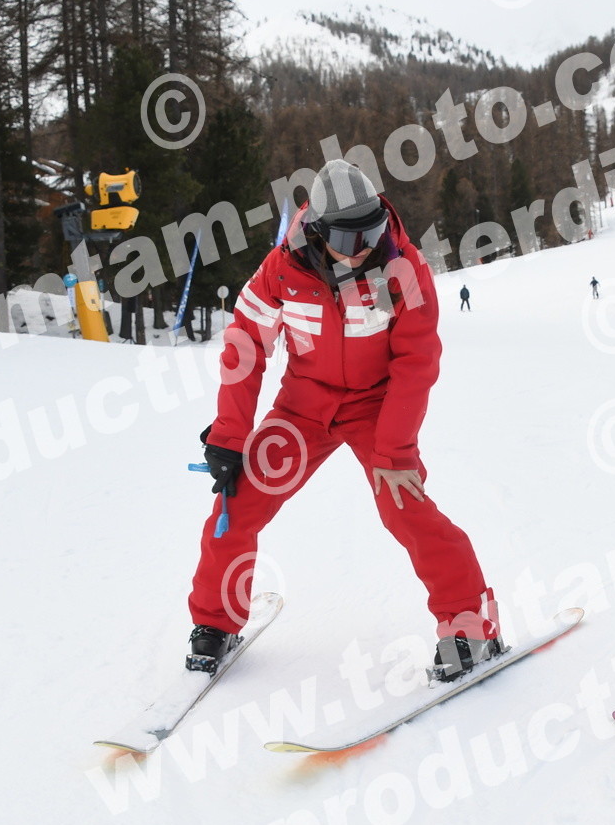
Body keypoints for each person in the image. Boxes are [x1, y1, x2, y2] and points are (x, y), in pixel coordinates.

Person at [187, 159, 499, 683]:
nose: (363, 249)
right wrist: (229, 436)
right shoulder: (281, 268)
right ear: (317, 231)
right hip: (302, 408)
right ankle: (215, 623)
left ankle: (471, 625)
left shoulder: (402, 267)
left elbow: (417, 362)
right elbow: (245, 345)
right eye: (348, 240)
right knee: (236, 505)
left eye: (371, 233)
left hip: (375, 409)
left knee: (406, 508)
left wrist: (395, 450)